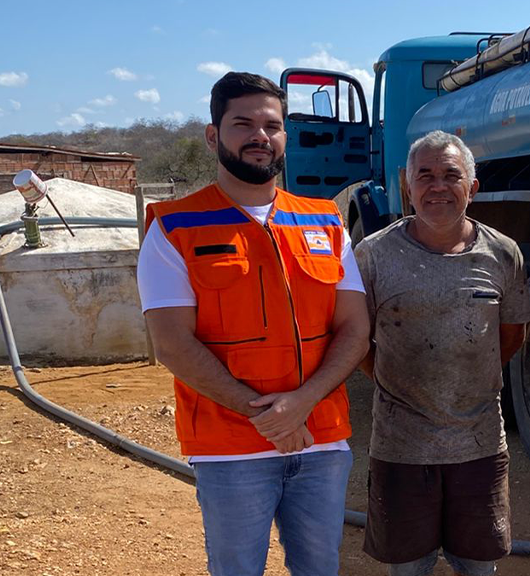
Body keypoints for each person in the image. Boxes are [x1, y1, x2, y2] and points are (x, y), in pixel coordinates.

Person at [137, 72, 370, 576]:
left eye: (272, 125)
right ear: (212, 134)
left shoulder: (325, 220)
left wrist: (301, 405)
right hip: (230, 447)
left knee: (320, 567)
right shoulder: (173, 227)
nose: (260, 136)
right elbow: (173, 344)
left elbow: (355, 329)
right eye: (242, 123)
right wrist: (267, 416)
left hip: (321, 440)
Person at [355, 130, 530, 576]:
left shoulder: (502, 254)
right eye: (425, 175)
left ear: (472, 187)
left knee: (478, 567)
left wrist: (466, 387)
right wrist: (401, 387)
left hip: (480, 448)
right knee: (409, 568)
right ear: (405, 185)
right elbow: (355, 342)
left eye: (451, 175)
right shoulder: (372, 256)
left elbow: (509, 337)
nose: (437, 186)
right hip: (400, 449)